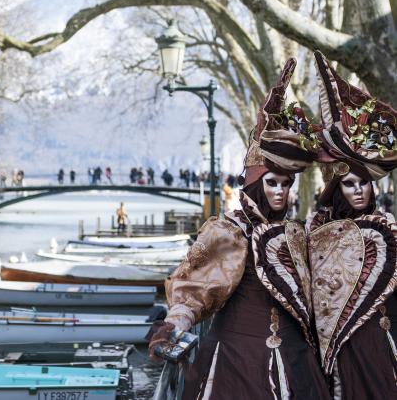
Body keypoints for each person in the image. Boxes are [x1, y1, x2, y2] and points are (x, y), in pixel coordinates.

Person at [148, 60, 330, 399]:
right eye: (272, 182)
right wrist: (173, 325)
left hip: (296, 360)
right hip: (237, 363)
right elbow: (196, 289)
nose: (280, 191)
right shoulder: (231, 232)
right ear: (256, 183)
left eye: (287, 184)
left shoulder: (296, 233)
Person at [306, 52, 397, 399]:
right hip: (340, 351)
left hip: (381, 342)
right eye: (349, 184)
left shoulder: (388, 228)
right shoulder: (318, 234)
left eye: (364, 183)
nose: (358, 189)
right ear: (336, 188)